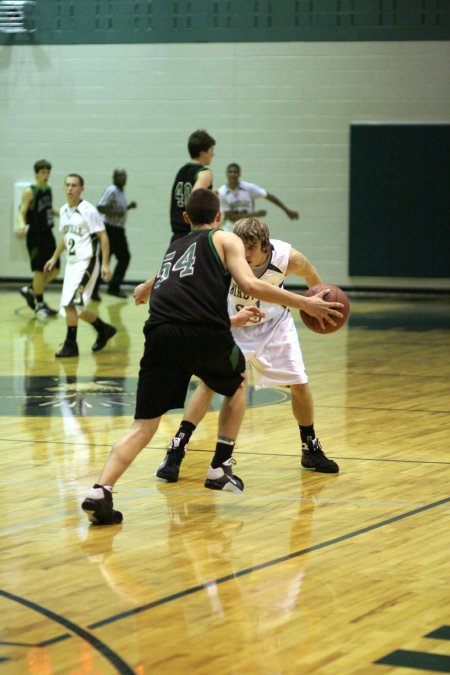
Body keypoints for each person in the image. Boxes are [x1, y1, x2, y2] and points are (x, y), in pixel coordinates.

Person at [81, 189, 342, 525]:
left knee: (144, 426)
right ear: (220, 218)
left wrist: (147, 286)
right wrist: (305, 303)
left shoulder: (175, 246)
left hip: (160, 332)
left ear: (186, 218)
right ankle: (220, 465)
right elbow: (249, 283)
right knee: (236, 384)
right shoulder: (224, 240)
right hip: (205, 330)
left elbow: (180, 283)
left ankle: (101, 489)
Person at [157, 217, 339, 482]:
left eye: (251, 248)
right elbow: (180, 271)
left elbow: (315, 282)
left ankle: (310, 447)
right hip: (232, 324)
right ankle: (177, 448)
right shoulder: (227, 255)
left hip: (274, 325)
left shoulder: (289, 258)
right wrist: (150, 286)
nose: (245, 254)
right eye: (241, 248)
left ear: (265, 245)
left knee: (299, 383)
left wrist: (317, 309)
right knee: (209, 384)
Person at [44, 173, 117, 358]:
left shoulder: (88, 210)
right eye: (67, 185)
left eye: (74, 185)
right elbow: (65, 237)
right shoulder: (63, 211)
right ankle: (104, 329)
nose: (70, 188)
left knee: (71, 304)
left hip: (87, 262)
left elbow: (103, 236)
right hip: (71, 264)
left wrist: (106, 264)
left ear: (81, 188)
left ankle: (71, 345)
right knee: (73, 307)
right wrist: (54, 257)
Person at [16, 159, 60, 319]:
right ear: (37, 173)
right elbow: (22, 212)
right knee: (40, 271)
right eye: (43, 172)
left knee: (55, 270)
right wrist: (21, 225)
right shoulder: (29, 191)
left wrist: (63, 213)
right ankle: (39, 305)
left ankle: (30, 289)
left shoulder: (48, 189)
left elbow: (48, 209)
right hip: (35, 235)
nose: (46, 175)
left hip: (48, 233)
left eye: (48, 172)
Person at [93, 168, 137, 300]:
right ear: (114, 177)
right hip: (110, 229)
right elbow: (100, 206)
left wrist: (128, 206)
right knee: (114, 258)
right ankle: (106, 288)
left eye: (125, 175)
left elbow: (118, 209)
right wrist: (115, 213)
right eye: (120, 176)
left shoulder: (120, 191)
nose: (123, 178)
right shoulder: (112, 190)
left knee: (113, 258)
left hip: (117, 229)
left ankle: (110, 287)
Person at [218, 163, 299, 231]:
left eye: (235, 172)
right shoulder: (222, 192)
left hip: (247, 228)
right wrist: (255, 214)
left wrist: (286, 210)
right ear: (226, 174)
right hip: (230, 229)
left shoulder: (248, 188)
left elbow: (268, 196)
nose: (233, 174)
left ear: (239, 173)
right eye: (230, 172)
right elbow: (231, 217)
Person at [169, 129, 216, 242]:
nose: (213, 154)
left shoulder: (181, 171)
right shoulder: (205, 173)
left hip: (176, 235)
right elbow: (194, 200)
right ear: (203, 152)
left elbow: (172, 202)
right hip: (192, 235)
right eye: (211, 150)